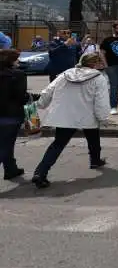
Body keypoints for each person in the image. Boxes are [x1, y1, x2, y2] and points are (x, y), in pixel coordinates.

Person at [31, 52, 111, 189]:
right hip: (87, 115)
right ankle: (95, 160)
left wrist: (40, 104)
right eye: (99, 62)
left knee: (58, 144)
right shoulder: (99, 78)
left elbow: (48, 91)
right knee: (93, 137)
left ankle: (40, 172)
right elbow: (101, 102)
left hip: (65, 115)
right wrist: (103, 118)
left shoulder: (65, 74)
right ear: (94, 64)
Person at [0, 49, 27, 180]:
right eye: (17, 59)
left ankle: (11, 169)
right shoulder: (18, 74)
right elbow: (21, 97)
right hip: (10, 115)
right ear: (11, 61)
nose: (18, 61)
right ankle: (10, 169)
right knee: (6, 146)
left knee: (6, 145)